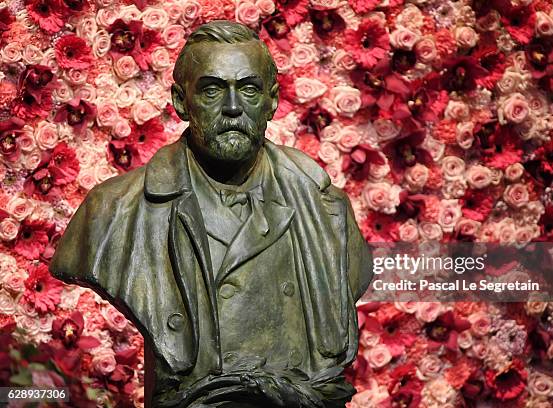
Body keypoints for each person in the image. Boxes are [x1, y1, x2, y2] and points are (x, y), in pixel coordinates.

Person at [50, 20, 373, 408]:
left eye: (249, 89)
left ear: (271, 101)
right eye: (213, 90)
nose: (234, 108)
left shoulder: (323, 208)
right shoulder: (114, 211)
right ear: (181, 101)